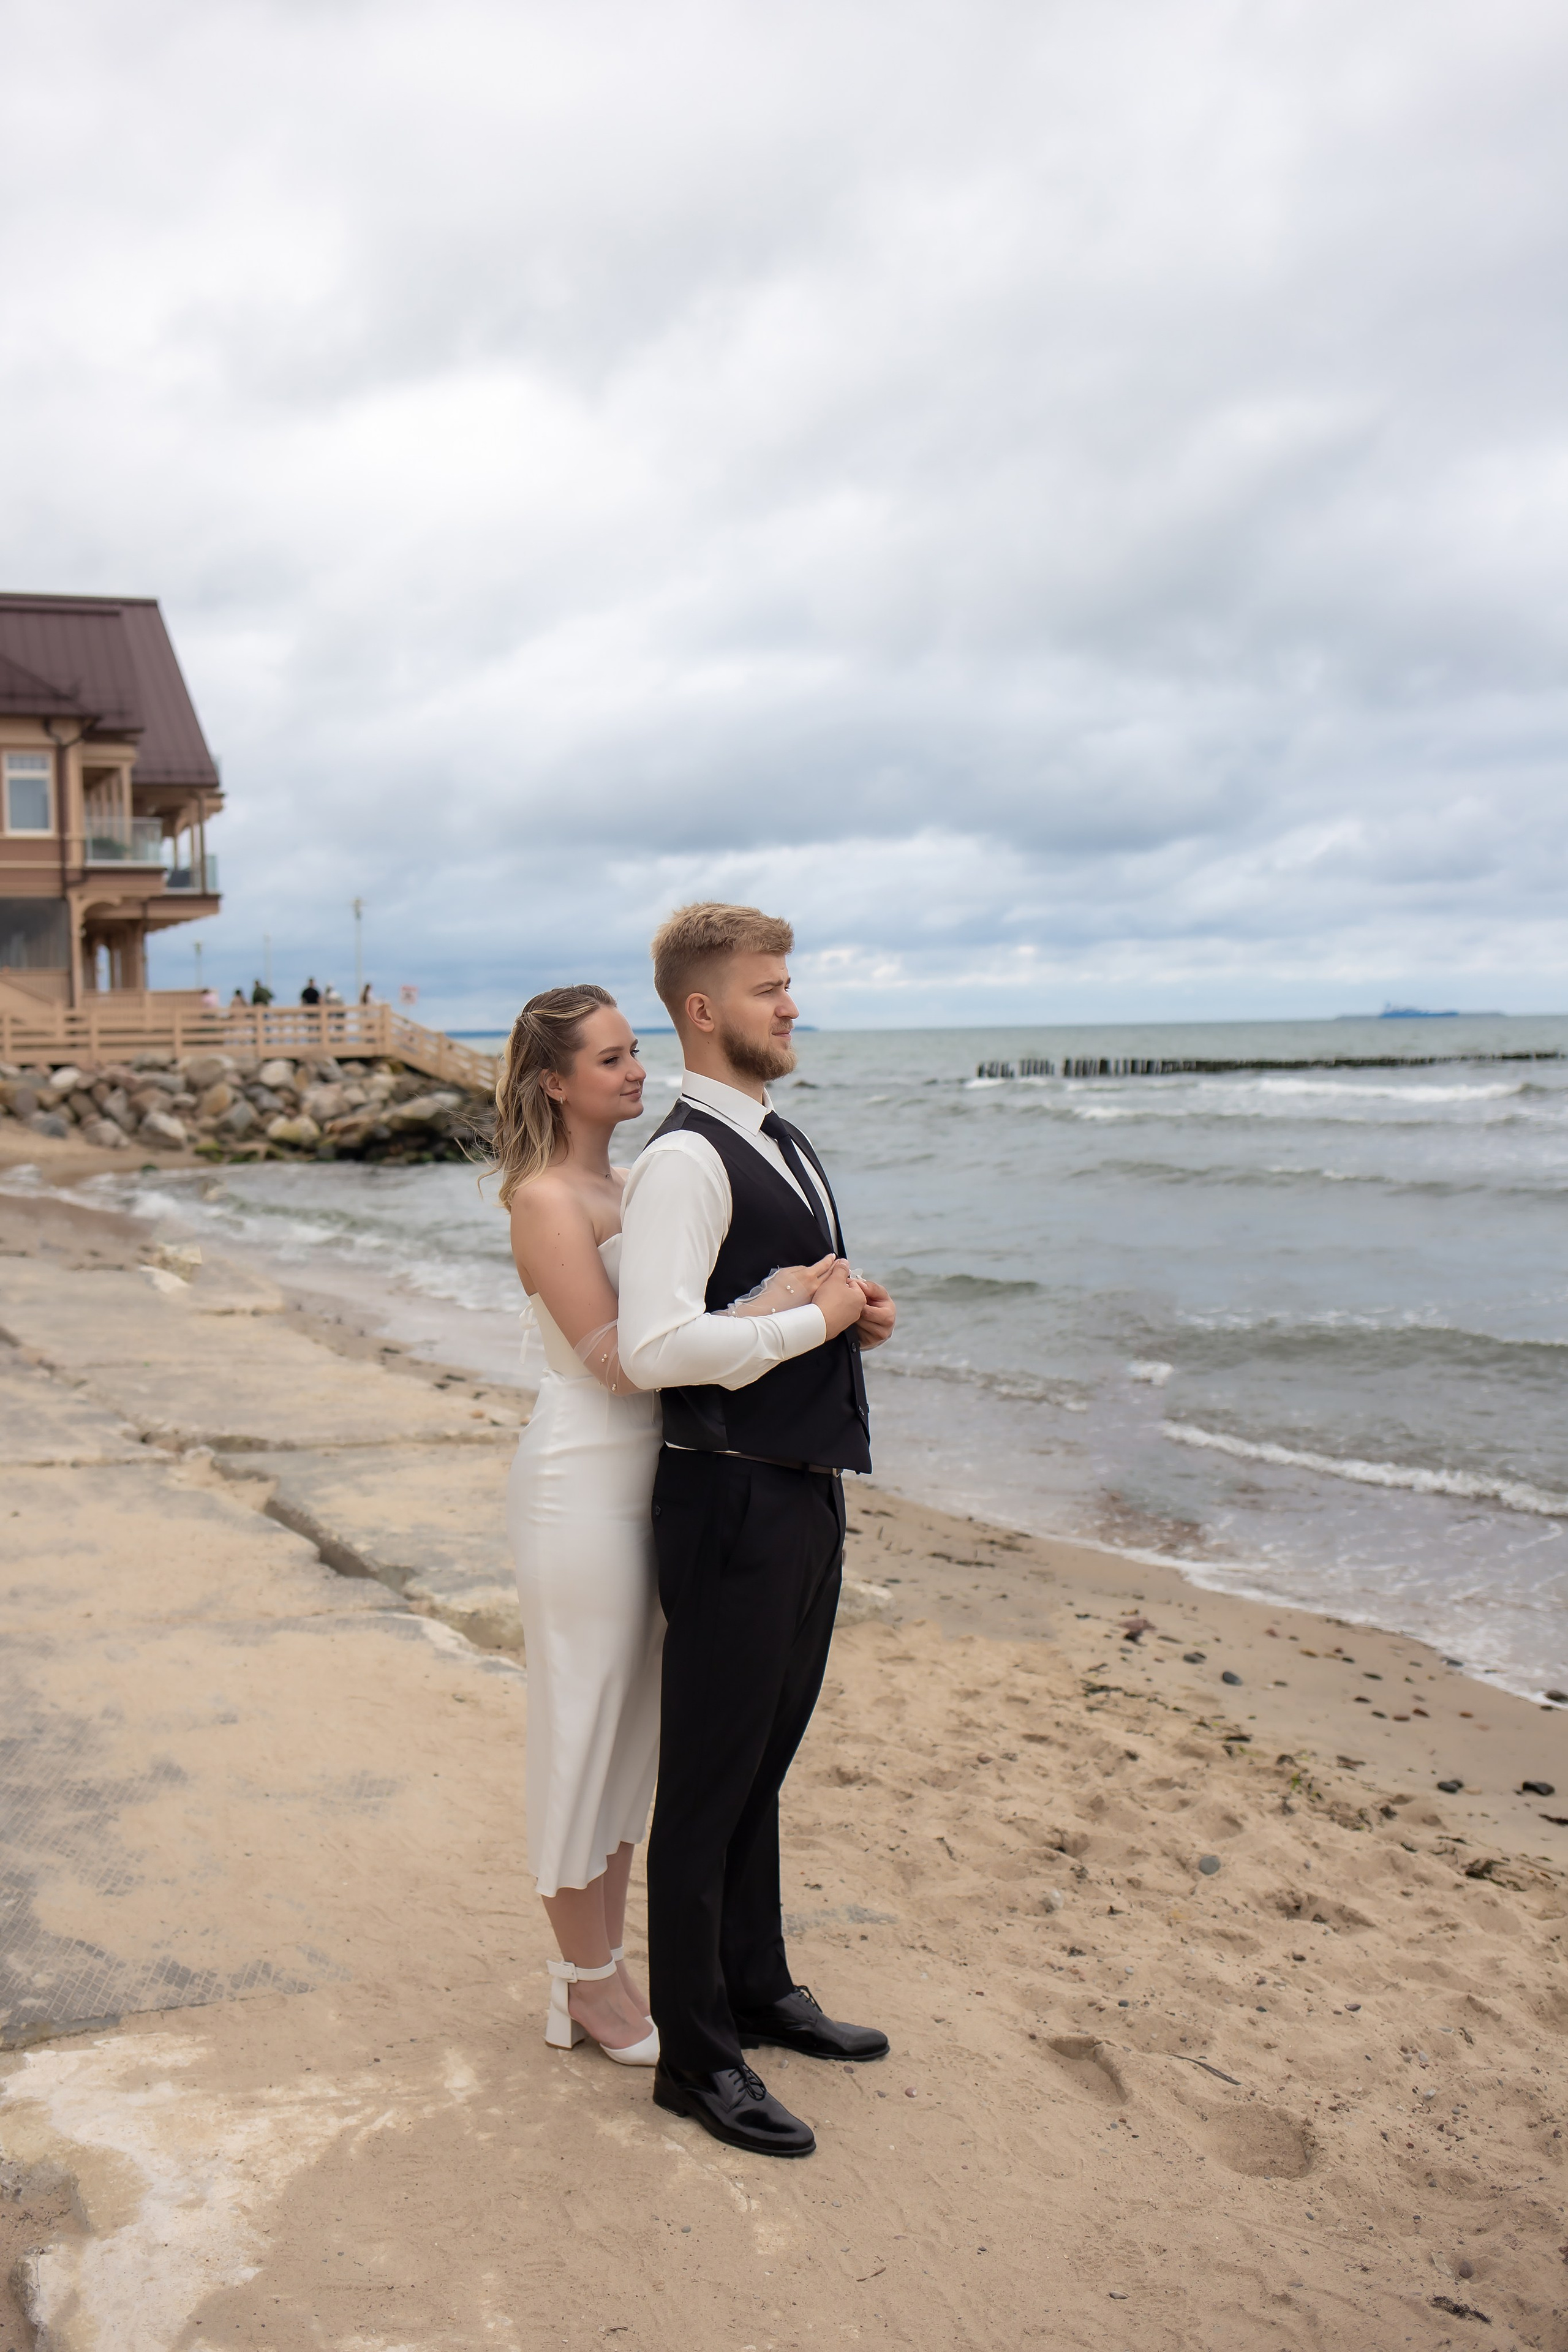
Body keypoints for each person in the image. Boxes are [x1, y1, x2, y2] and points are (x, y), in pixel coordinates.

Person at [495, 986, 839, 2069]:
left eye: (635, 1052)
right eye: (609, 1061)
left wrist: (803, 1302)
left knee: (635, 1733)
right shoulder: (547, 1197)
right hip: (581, 1480)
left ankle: (602, 1972)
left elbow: (680, 1323)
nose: (637, 1073)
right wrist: (780, 1316)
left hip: (655, 1479)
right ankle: (585, 1982)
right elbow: (621, 1357)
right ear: (556, 1082)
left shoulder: (639, 1180)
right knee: (583, 1722)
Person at [617, 902, 897, 2159]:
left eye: (788, 985)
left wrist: (852, 1316)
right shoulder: (682, 1160)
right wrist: (806, 1329)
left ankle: (754, 1986)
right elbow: (657, 1345)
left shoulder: (778, 1138)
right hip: (725, 1497)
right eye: (768, 989)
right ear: (701, 1009)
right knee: (707, 1783)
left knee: (763, 1763)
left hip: (800, 1487)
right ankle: (695, 2057)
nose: (789, 1005)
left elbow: (774, 1299)